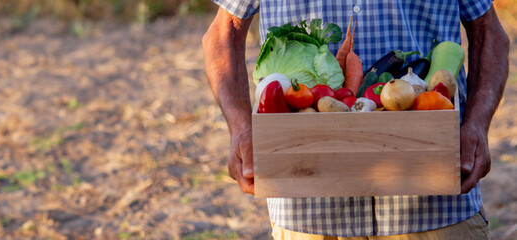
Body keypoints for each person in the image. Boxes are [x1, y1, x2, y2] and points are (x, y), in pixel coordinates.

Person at [202, 0, 508, 239]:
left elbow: (489, 32)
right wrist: (241, 128)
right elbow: (222, 33)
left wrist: (478, 124)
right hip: (307, 211)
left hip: (434, 207)